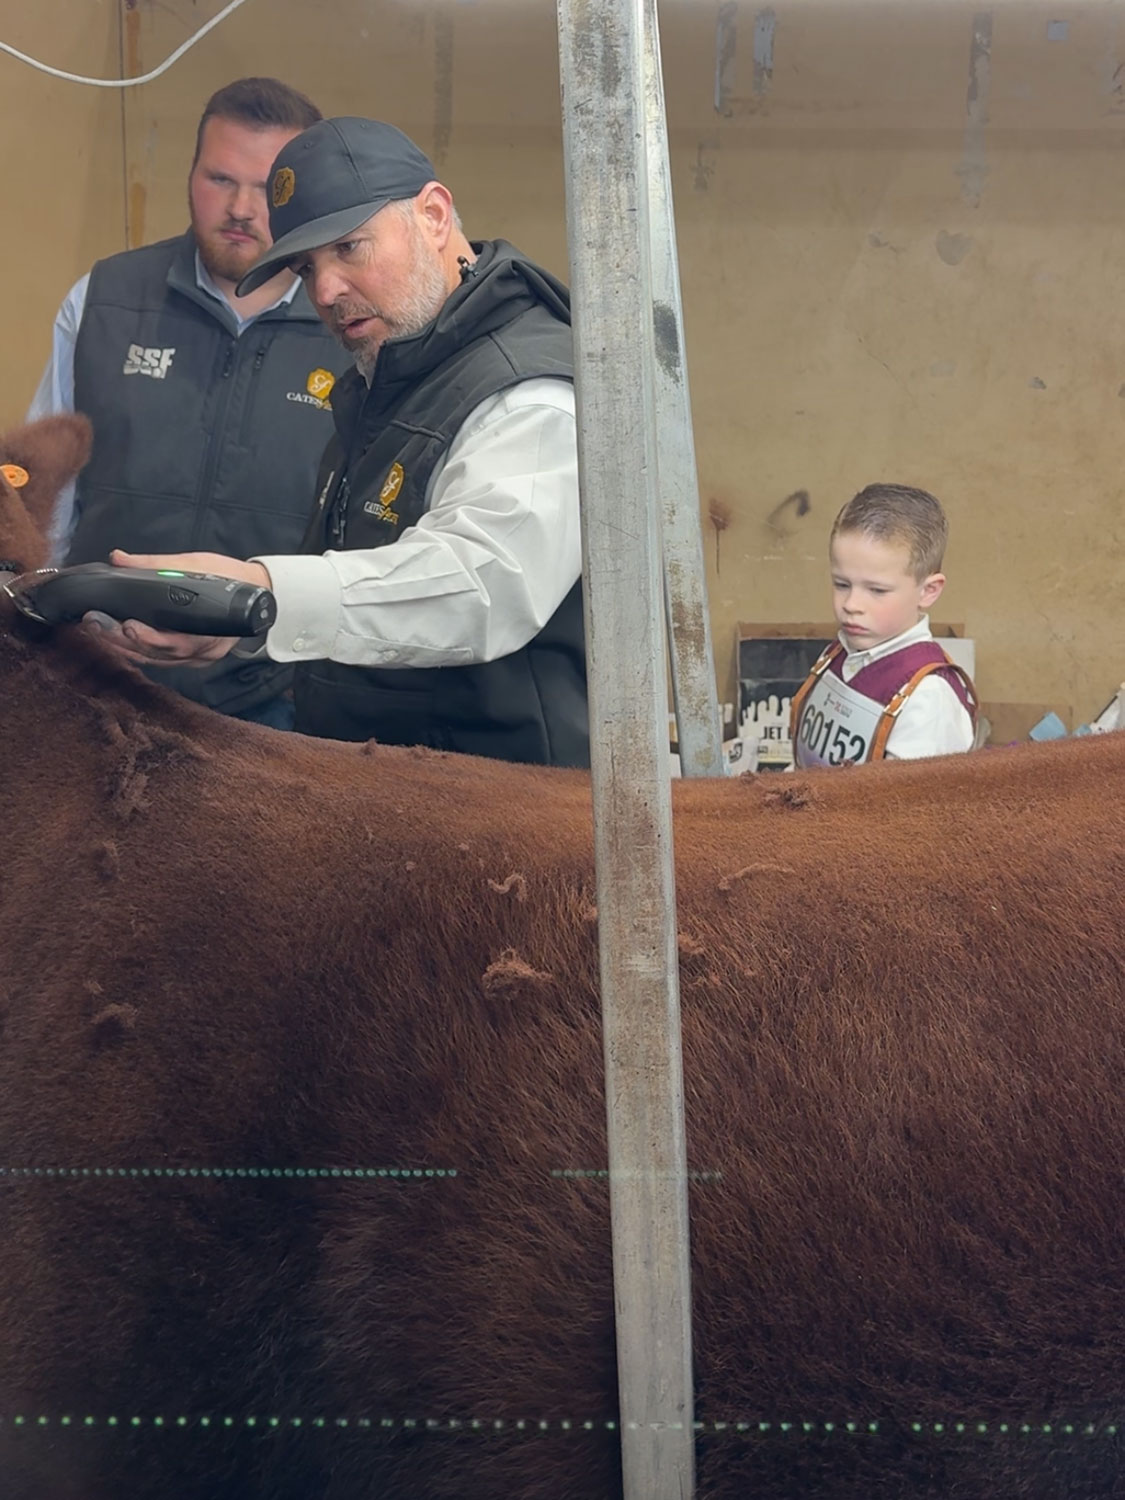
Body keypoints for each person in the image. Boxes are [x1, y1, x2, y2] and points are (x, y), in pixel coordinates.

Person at [88, 116, 588, 767]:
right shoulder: (391, 382)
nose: (325, 291)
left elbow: (481, 585)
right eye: (306, 267)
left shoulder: (526, 388)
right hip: (393, 798)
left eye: (349, 248)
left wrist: (264, 590)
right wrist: (242, 625)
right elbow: (365, 603)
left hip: (501, 824)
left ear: (433, 216)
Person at [27, 78, 351, 730]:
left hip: (273, 704)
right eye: (219, 178)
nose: (240, 207)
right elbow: (47, 500)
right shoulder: (103, 300)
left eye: (267, 189)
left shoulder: (351, 325)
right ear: (191, 174)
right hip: (95, 688)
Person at [789, 483, 978, 766]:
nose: (851, 604)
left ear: (928, 591)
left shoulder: (928, 699)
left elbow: (902, 808)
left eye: (876, 591)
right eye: (841, 584)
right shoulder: (838, 654)